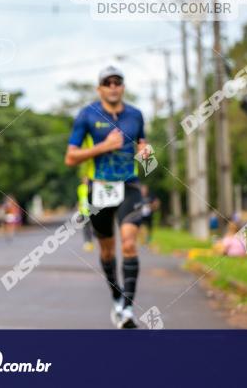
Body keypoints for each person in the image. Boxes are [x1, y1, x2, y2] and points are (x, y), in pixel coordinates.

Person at [64, 66, 150, 329]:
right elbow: (70, 157)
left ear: (123, 87)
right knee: (108, 249)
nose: (113, 86)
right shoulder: (87, 115)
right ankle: (116, 297)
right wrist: (105, 146)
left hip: (129, 186)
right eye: (107, 82)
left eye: (118, 82)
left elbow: (142, 146)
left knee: (129, 243)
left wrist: (146, 153)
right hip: (99, 188)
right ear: (99, 88)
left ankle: (126, 309)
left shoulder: (136, 115)